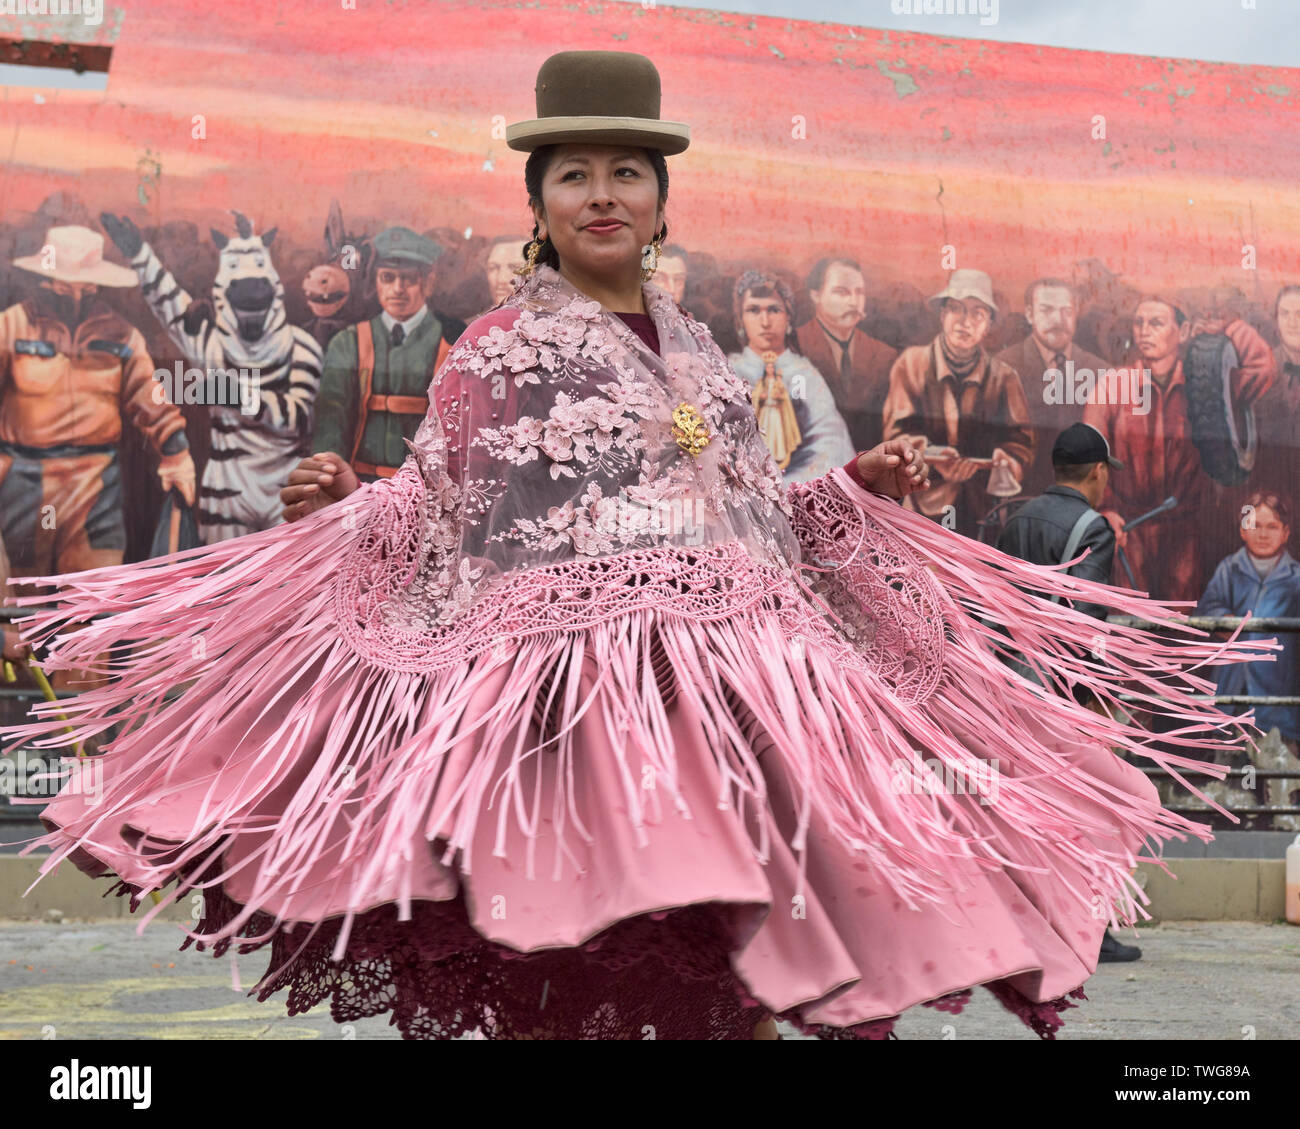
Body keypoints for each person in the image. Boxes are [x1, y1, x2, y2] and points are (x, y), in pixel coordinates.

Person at [2, 51, 1266, 1042]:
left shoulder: (705, 354)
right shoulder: (499, 349)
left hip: (737, 710)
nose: (602, 193)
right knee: (590, 967)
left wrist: (854, 484)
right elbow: (448, 508)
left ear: (661, 197)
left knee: (755, 969)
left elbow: (754, 519)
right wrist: (349, 504)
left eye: (626, 171)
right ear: (538, 204)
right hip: (588, 722)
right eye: (574, 173)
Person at [995, 422, 1141, 963]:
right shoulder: (1094, 527)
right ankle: (1090, 933)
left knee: (1029, 808)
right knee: (1090, 810)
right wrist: (1093, 703)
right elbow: (1087, 623)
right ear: (1099, 472)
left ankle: (1029, 923)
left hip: (1009, 688)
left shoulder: (1017, 519)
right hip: (1061, 693)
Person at [883, 269, 1034, 538]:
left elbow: (1021, 443)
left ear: (989, 324)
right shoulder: (911, 364)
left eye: (978, 313)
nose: (965, 322)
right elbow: (894, 437)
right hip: (922, 509)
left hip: (984, 513)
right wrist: (933, 457)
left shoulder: (1005, 377)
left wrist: (1004, 461)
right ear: (943, 315)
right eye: (956, 309)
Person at [312, 227, 467, 483]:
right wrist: (328, 480)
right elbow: (331, 425)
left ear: (428, 283)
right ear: (376, 282)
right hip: (357, 488)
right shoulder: (348, 343)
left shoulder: (455, 341)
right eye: (387, 277)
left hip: (427, 491)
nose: (397, 289)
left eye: (408, 279)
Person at [727, 269, 856, 482]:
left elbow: (829, 440)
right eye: (753, 310)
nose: (765, 321)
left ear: (789, 319)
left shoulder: (805, 375)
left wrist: (793, 488)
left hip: (801, 485)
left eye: (774, 310)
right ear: (740, 320)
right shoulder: (728, 371)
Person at [995, 278, 1110, 498]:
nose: (1058, 320)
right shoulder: (1002, 367)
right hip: (1019, 500)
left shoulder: (1100, 372)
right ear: (1029, 314)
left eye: (1067, 311)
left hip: (1081, 501)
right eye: (1047, 310)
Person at [794, 257, 897, 452]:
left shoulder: (885, 356)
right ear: (816, 295)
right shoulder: (793, 346)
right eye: (842, 292)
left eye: (859, 293)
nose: (853, 302)